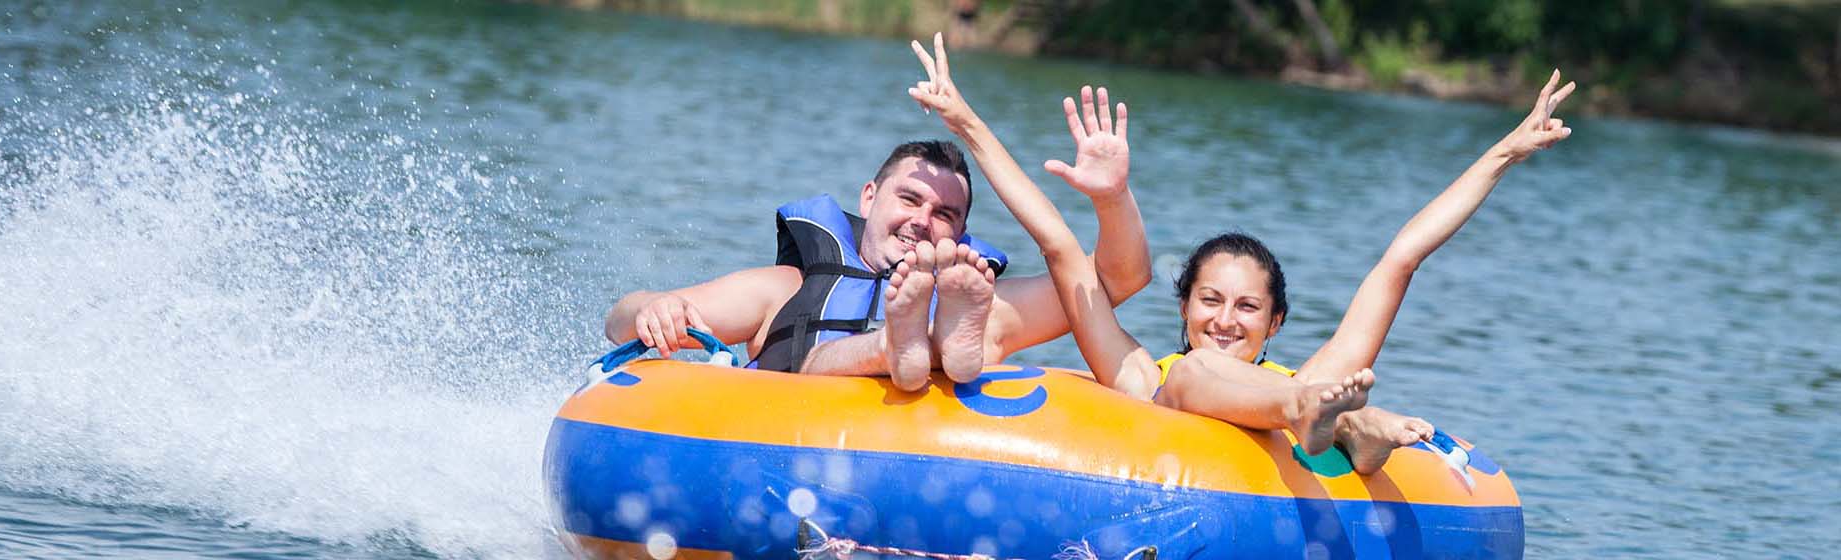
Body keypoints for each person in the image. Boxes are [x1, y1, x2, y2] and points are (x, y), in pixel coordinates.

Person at [905, 34, 1575, 472]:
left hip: (1308, 402)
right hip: (1297, 406)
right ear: (1186, 306)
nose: (1226, 320)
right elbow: (1059, 247)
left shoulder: (1314, 376)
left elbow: (1401, 258)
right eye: (1211, 300)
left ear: (1274, 322)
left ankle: (1352, 430)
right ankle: (1344, 429)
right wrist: (967, 122)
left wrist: (1503, 153)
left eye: (1248, 307)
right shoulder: (1142, 375)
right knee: (1195, 377)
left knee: (1295, 390)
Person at [602, 72, 1152, 391]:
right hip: (779, 439)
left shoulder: (976, 297)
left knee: (970, 322)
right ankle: (898, 344)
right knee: (842, 356)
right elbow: (619, 320)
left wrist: (1112, 199)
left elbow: (1112, 283)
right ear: (869, 198)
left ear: (961, 235)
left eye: (945, 214)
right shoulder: (785, 288)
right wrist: (652, 307)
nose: (922, 220)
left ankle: (929, 345)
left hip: (907, 466)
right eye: (910, 198)